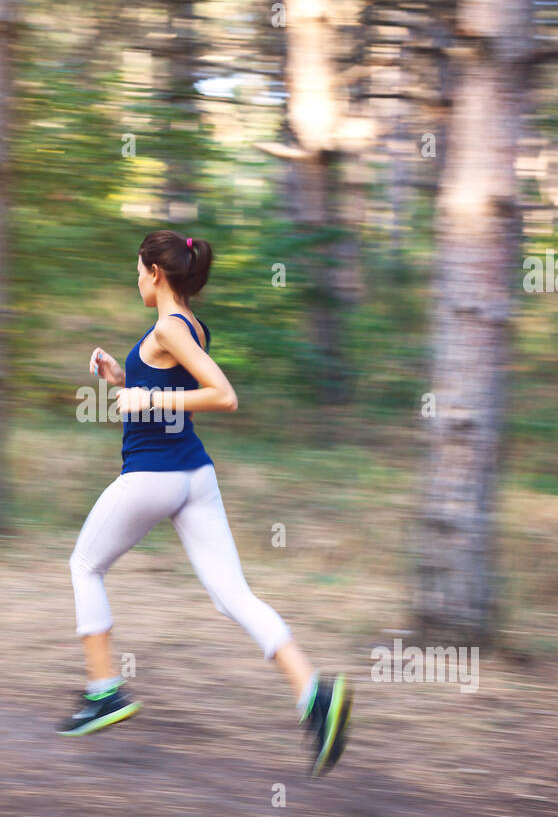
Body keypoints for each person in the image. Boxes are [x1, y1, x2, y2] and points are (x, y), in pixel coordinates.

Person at [58, 229, 352, 778]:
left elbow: (222, 394)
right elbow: (164, 388)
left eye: (138, 270)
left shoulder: (170, 326)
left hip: (153, 477)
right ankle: (314, 696)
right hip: (195, 477)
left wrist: (147, 396)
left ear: (156, 273)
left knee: (84, 565)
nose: (136, 279)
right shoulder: (188, 325)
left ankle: (104, 693)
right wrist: (122, 379)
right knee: (232, 595)